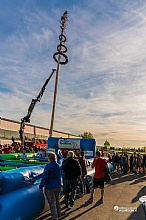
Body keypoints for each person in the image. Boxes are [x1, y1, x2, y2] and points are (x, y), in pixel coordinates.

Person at [39, 152, 61, 220]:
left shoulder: (48, 166)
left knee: (52, 203)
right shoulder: (58, 165)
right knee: (57, 200)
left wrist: (41, 186)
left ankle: (55, 217)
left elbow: (45, 177)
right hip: (58, 185)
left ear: (49, 158)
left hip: (50, 186)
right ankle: (59, 213)